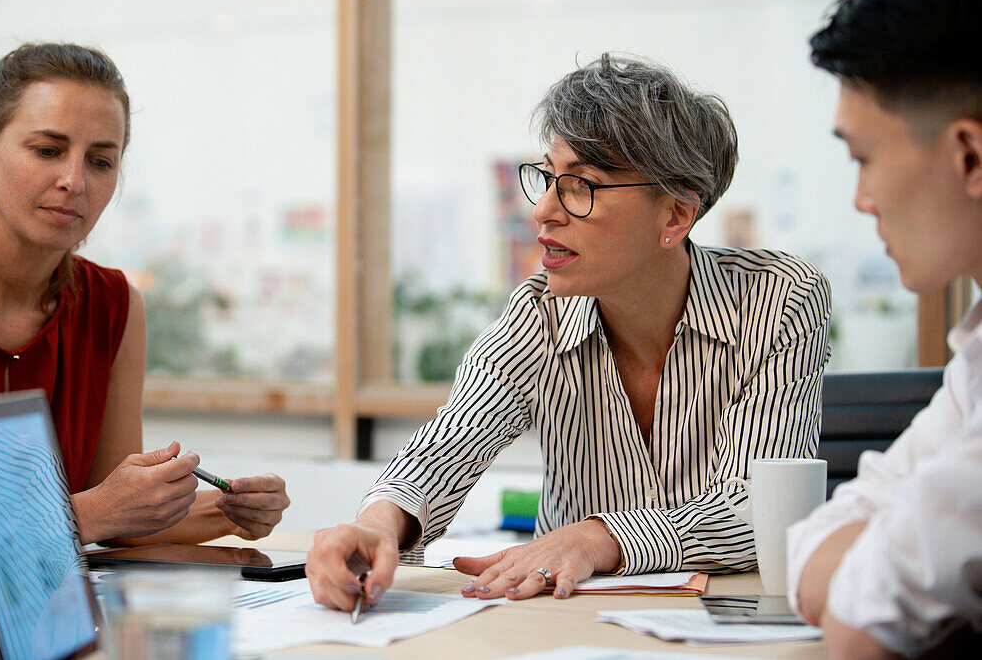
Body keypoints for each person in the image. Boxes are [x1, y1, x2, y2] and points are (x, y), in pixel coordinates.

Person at [307, 54, 831, 611]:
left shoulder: (781, 298)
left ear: (675, 216)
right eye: (548, 179)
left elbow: (757, 508)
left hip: (726, 627)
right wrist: (379, 524)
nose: (544, 212)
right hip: (566, 624)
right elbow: (446, 446)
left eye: (581, 185)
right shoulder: (539, 311)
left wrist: (597, 537)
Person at [0, 43, 290, 566]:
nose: (74, 181)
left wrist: (233, 509)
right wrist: (90, 513)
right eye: (48, 150)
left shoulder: (117, 305)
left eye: (100, 161)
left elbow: (120, 518)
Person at [786, 0, 982, 659]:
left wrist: (867, 564)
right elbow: (807, 551)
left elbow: (862, 630)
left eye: (864, 158)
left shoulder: (781, 296)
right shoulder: (975, 363)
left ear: (970, 156)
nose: (862, 200)